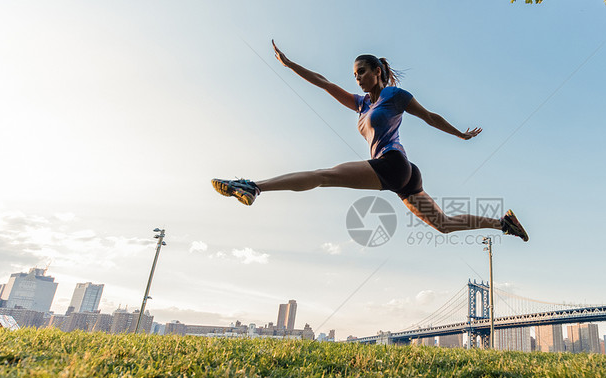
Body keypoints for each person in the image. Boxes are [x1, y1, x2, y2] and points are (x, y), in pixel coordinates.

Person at [212, 41, 528, 242]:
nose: (358, 78)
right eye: (355, 75)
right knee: (442, 225)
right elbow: (324, 83)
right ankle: (503, 223)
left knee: (325, 175)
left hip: (393, 164)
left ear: (377, 72)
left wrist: (460, 134)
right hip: (404, 173)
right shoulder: (362, 104)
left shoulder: (394, 95)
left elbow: (430, 117)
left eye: (362, 72)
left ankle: (253, 186)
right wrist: (292, 66)